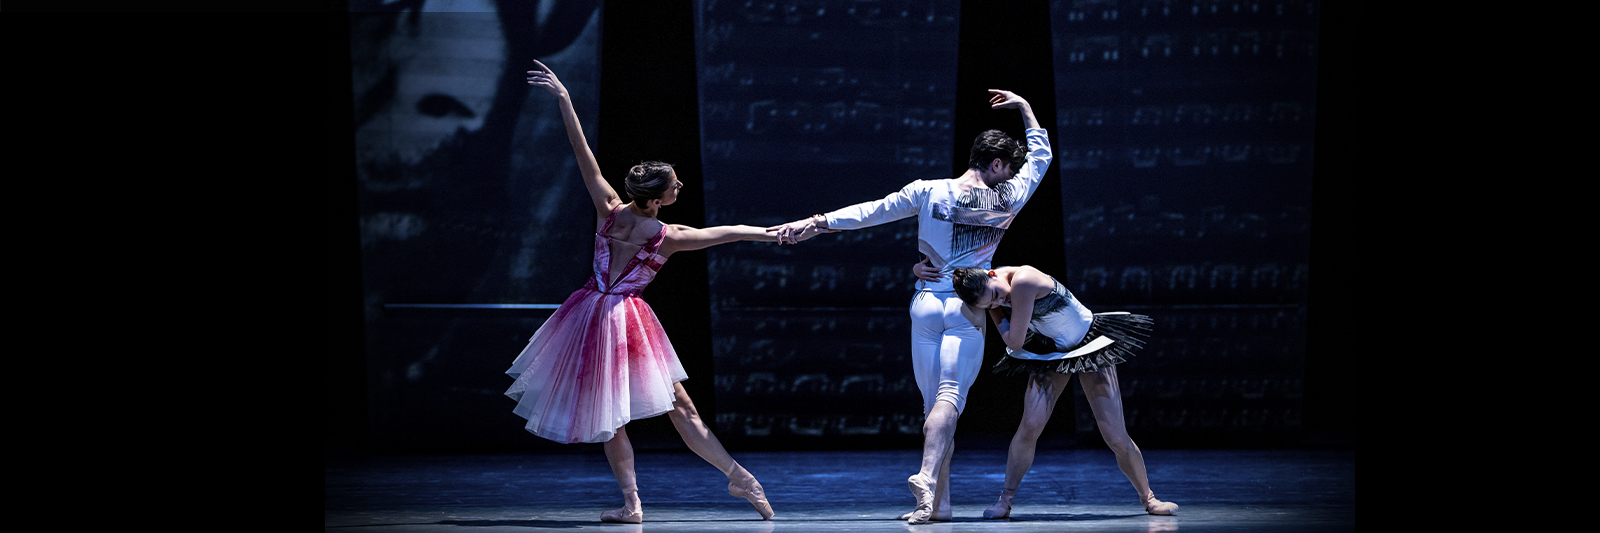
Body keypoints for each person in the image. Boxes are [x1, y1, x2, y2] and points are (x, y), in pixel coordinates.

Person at [505, 60, 822, 524]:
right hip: (624, 321)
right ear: (656, 198)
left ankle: (640, 502)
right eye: (674, 184)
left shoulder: (609, 209)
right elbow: (728, 232)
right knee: (677, 409)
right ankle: (737, 477)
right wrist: (778, 234)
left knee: (608, 413)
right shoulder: (667, 235)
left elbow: (582, 153)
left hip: (589, 314)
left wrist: (565, 99)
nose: (680, 185)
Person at [767, 90, 1052, 524]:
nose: (1009, 174)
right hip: (967, 308)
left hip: (925, 304)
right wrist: (1026, 109)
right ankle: (924, 477)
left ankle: (936, 506)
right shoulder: (1008, 197)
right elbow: (1040, 158)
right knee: (949, 400)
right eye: (1006, 168)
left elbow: (871, 212)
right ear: (996, 164)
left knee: (933, 410)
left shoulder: (928, 190)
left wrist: (815, 223)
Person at [923, 264, 1179, 517]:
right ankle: (1005, 501)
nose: (999, 302)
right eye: (990, 304)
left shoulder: (1022, 281)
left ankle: (1150, 499)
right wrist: (918, 270)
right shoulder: (990, 282)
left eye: (995, 296)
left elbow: (1014, 341)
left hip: (1088, 344)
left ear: (992, 275)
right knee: (1030, 425)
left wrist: (994, 311)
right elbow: (951, 270)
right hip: (1053, 349)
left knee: (1115, 435)